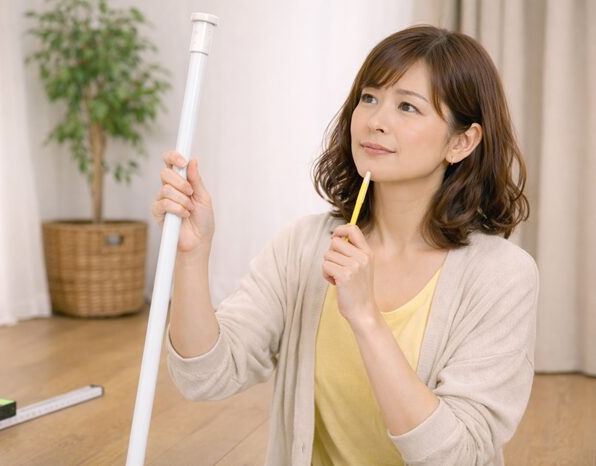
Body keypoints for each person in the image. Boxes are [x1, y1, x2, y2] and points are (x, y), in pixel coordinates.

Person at [151, 24, 538, 466]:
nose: (375, 121)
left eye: (407, 106)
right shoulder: (302, 246)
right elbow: (204, 377)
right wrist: (192, 256)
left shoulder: (503, 276)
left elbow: (458, 455)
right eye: (369, 98)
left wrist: (366, 318)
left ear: (461, 141)